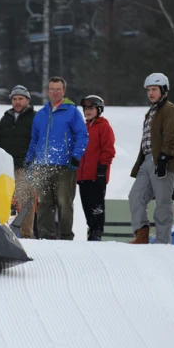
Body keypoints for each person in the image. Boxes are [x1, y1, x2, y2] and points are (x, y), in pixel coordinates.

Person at [25, 76, 89, 240]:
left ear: (64, 91)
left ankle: (66, 235)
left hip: (64, 165)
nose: (55, 92)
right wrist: (29, 159)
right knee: (45, 203)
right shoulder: (41, 114)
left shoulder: (72, 112)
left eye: (58, 89)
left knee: (64, 203)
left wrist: (76, 155)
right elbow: (34, 138)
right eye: (52, 89)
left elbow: (82, 135)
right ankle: (46, 236)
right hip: (42, 165)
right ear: (47, 91)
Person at [128, 73, 174, 245]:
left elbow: (172, 136)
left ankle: (162, 240)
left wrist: (165, 158)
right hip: (147, 160)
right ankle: (142, 234)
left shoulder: (170, 109)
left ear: (164, 90)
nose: (151, 93)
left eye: (154, 89)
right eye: (149, 90)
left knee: (162, 202)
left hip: (162, 160)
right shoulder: (151, 111)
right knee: (135, 196)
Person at [0, 85, 37, 238]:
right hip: (6, 167)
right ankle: (3, 235)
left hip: (25, 167)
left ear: (28, 100)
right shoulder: (5, 118)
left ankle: (27, 234)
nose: (17, 102)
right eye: (14, 99)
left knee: (26, 201)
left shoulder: (34, 117)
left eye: (20, 98)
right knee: (3, 202)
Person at [77, 95, 116, 241]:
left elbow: (109, 150)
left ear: (98, 110)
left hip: (97, 175)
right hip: (83, 176)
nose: (88, 111)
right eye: (86, 108)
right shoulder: (83, 126)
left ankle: (97, 232)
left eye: (91, 108)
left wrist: (102, 170)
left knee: (96, 206)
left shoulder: (104, 126)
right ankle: (91, 231)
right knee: (86, 206)